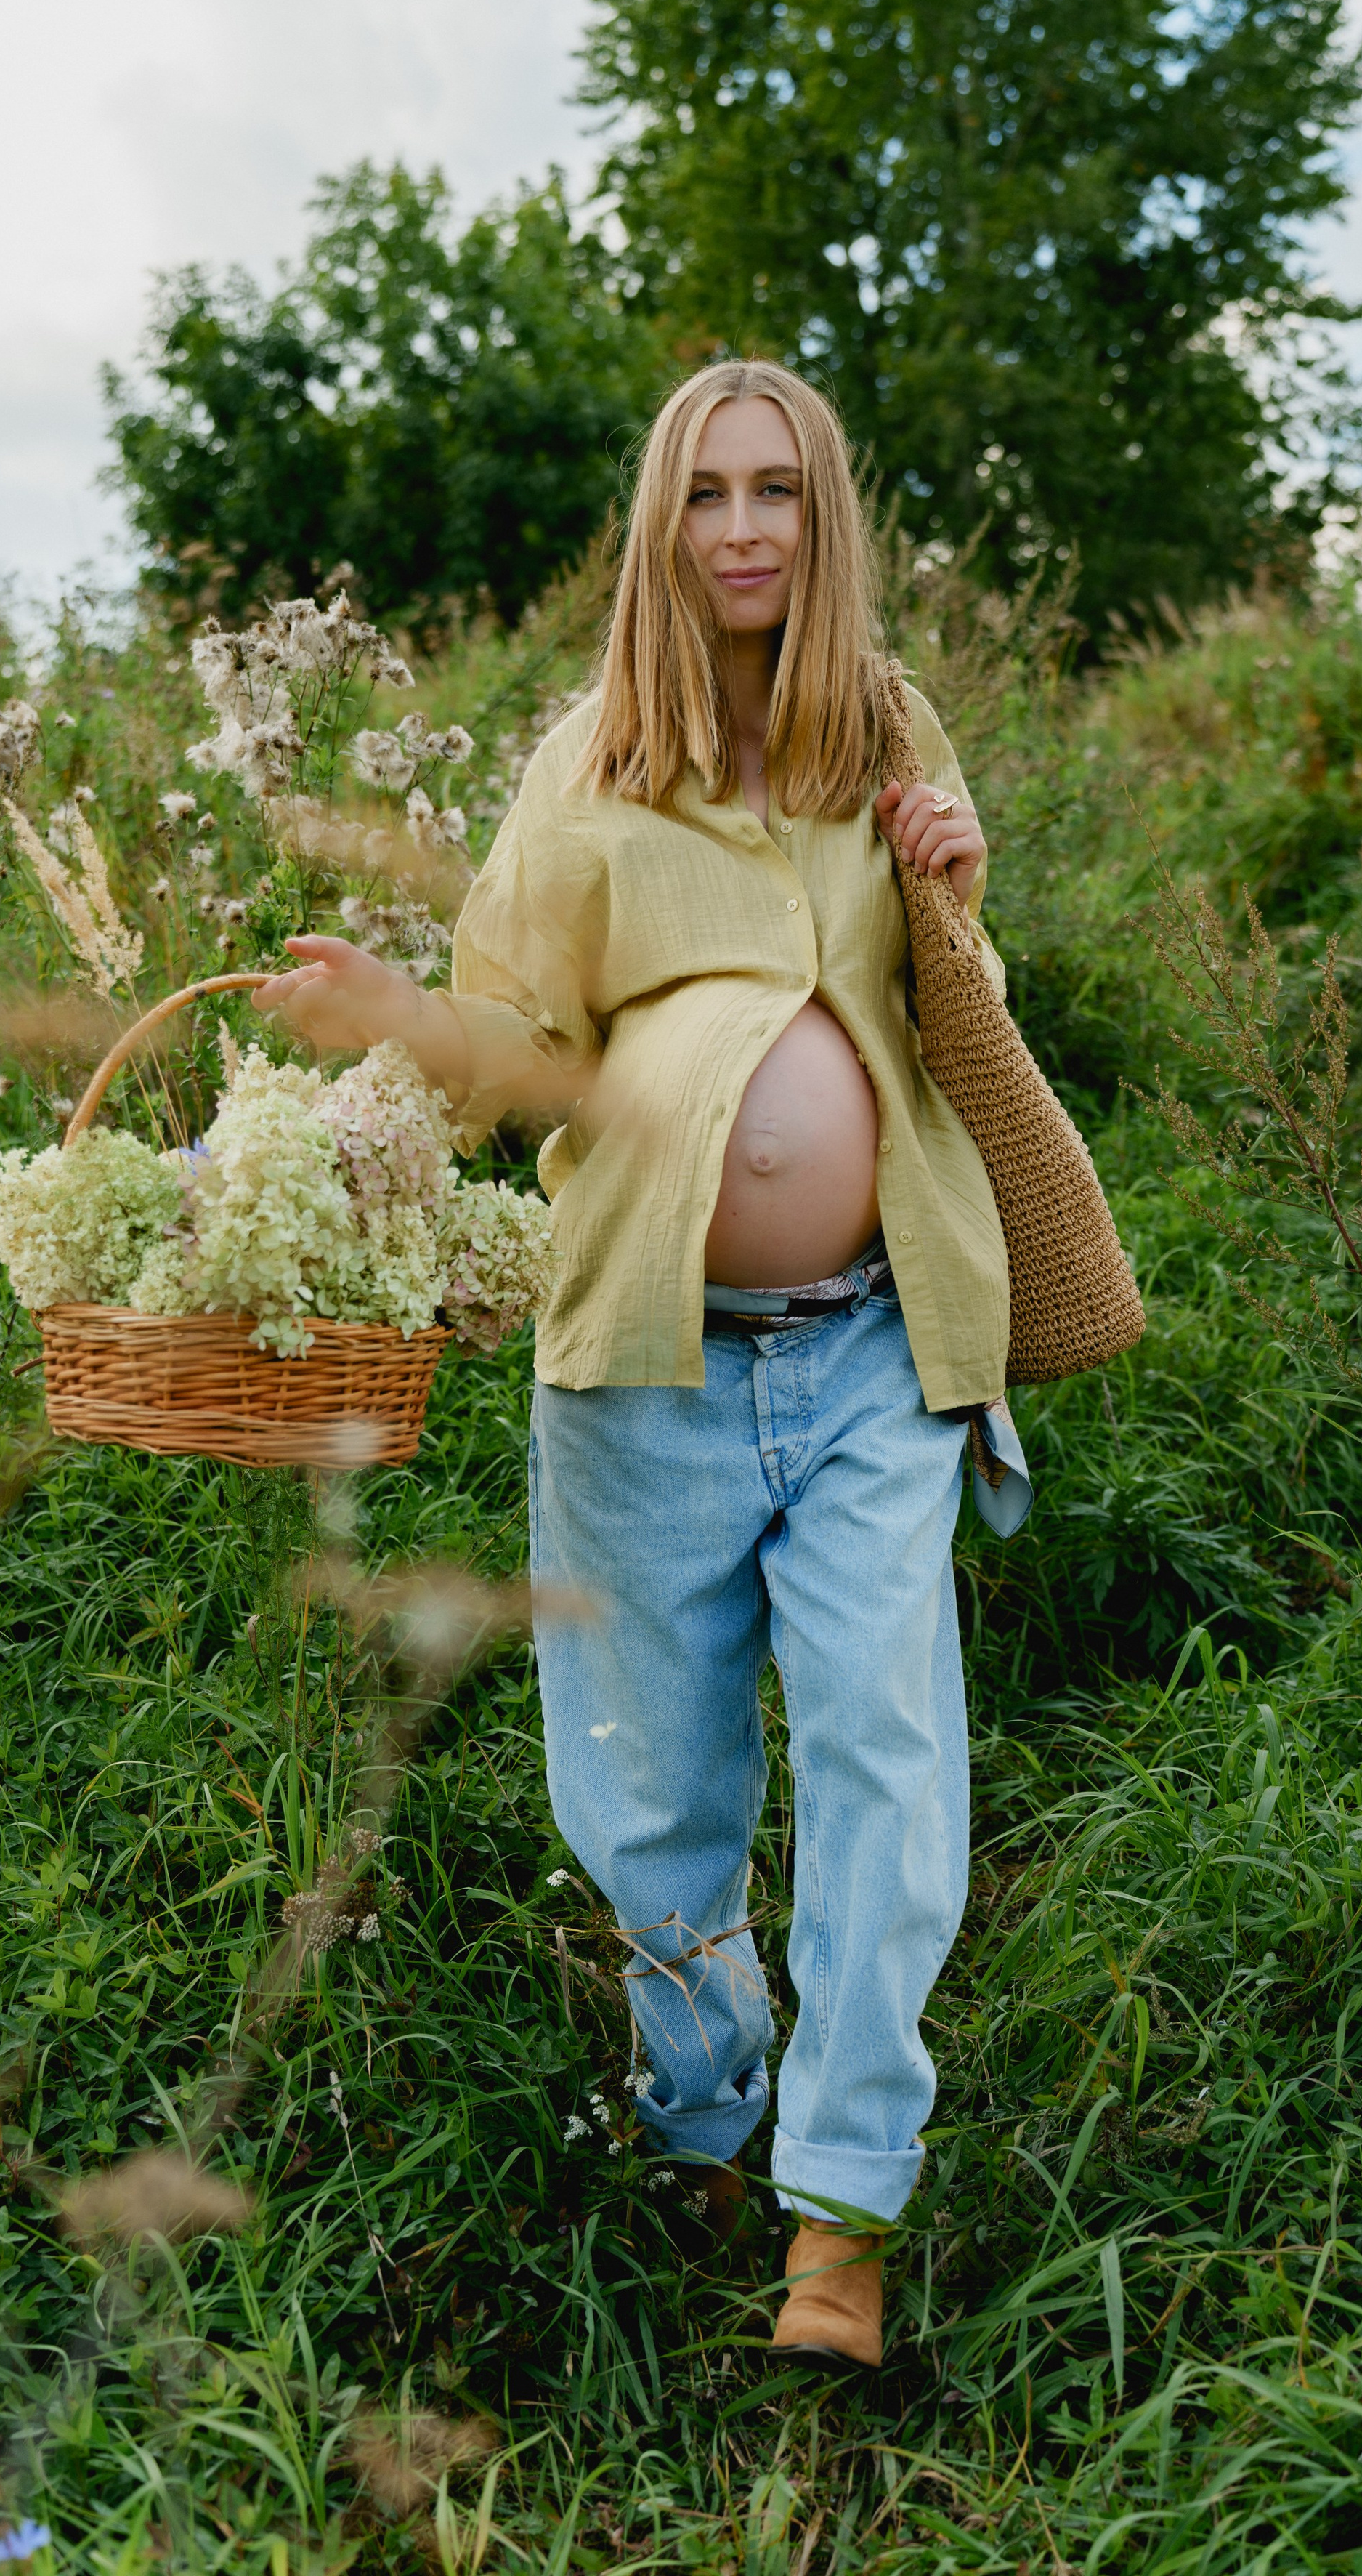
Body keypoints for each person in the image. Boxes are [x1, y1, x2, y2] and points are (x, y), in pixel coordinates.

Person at [254, 358, 1013, 2370]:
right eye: (709, 494)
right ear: (663, 526)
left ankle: (838, 2219)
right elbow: (517, 1048)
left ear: (824, 519)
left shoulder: (885, 731)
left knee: (887, 1768)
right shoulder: (588, 759)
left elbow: (958, 1015)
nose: (747, 528)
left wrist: (956, 884)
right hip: (643, 1364)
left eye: (780, 491)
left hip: (874, 1351)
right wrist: (399, 1013)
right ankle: (701, 2110)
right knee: (647, 1797)